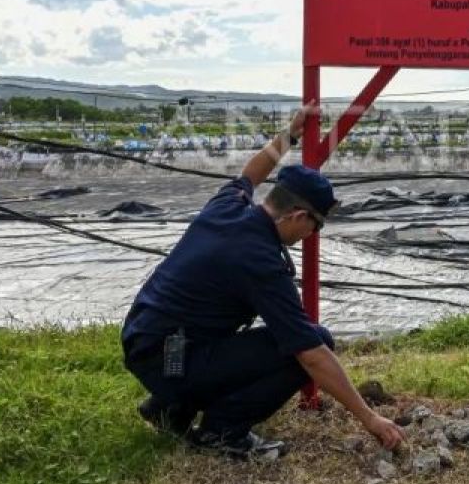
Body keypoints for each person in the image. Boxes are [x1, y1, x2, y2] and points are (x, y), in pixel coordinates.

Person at [121, 107, 406, 460]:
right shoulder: (260, 261)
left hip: (147, 340)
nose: (312, 235)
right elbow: (311, 354)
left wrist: (290, 135)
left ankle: (168, 407)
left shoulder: (230, 205)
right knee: (312, 343)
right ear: (298, 216)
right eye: (315, 226)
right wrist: (370, 418)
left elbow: (250, 173)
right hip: (168, 358)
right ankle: (221, 431)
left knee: (233, 332)